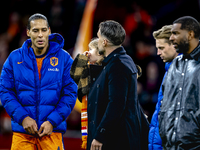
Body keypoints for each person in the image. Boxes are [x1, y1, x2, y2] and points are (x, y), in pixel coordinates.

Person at [0, 13, 77, 150]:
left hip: (52, 134)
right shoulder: (14, 58)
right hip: (22, 135)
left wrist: (52, 122)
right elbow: (5, 92)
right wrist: (23, 118)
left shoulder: (65, 59)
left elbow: (70, 94)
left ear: (49, 31)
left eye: (43, 30)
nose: (40, 35)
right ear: (28, 32)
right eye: (35, 30)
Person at [87, 20, 149, 150]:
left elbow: (116, 104)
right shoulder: (121, 60)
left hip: (115, 140)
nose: (97, 41)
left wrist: (100, 135)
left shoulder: (117, 65)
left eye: (98, 37)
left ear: (104, 42)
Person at [158, 16, 200, 149]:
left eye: (175, 33)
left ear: (190, 34)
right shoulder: (174, 65)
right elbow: (164, 104)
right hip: (170, 146)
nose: (171, 38)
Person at [70, 38, 105, 149]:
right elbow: (74, 76)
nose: (88, 52)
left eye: (91, 49)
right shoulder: (88, 71)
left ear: (100, 53)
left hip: (103, 122)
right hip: (92, 120)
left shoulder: (108, 70)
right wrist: (81, 59)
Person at [148, 25, 178, 150]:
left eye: (161, 48)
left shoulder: (184, 72)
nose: (158, 53)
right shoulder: (169, 69)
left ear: (174, 44)